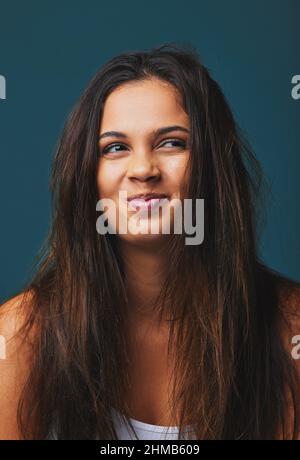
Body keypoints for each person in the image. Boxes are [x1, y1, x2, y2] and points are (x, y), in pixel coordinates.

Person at [0, 43, 299, 440]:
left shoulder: (288, 326)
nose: (143, 169)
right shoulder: (20, 336)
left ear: (213, 166)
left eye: (172, 142)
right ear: (87, 177)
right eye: (116, 148)